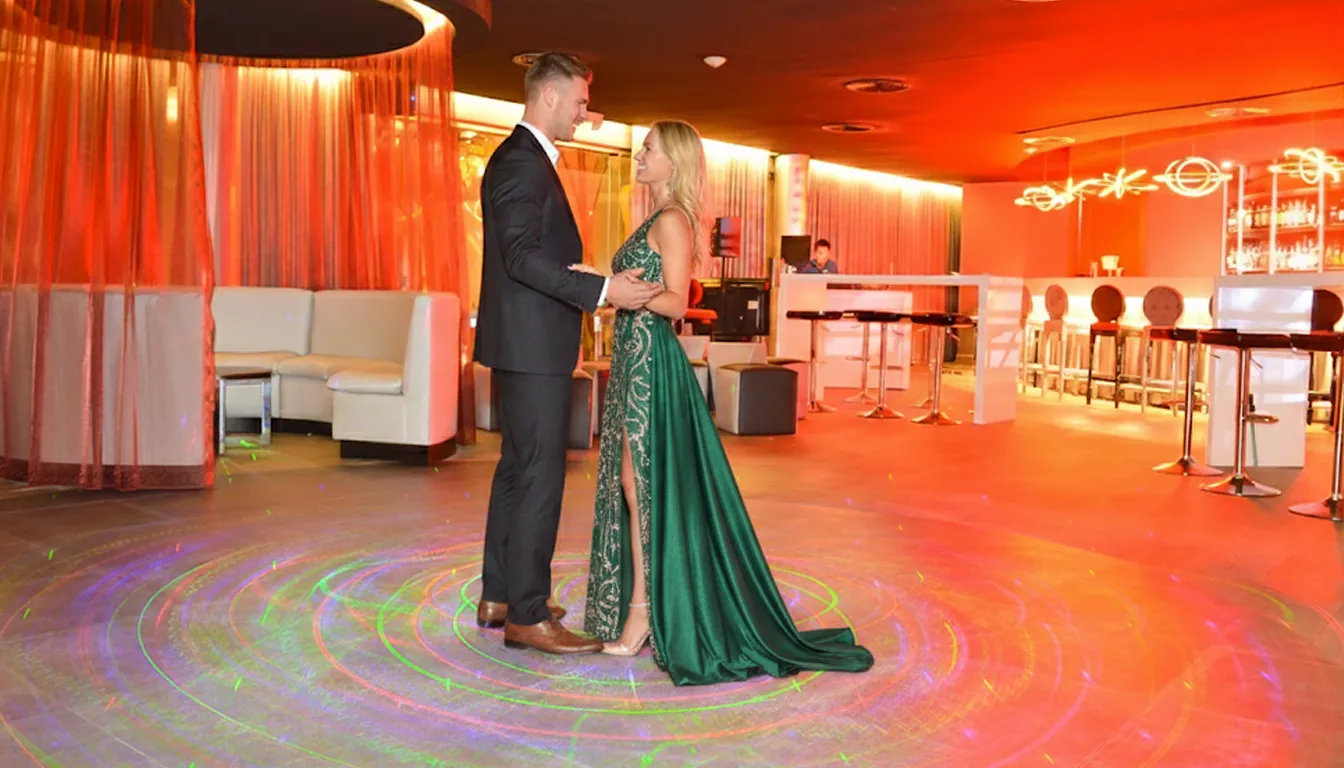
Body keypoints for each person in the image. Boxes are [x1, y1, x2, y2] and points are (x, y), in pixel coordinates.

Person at [574, 121, 874, 686]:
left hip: (651, 366)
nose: (640, 155)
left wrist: (616, 289)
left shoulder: (672, 221)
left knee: (642, 489)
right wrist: (608, 284)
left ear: (675, 162)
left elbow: (676, 303)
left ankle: (642, 616)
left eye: (650, 149)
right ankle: (645, 609)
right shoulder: (657, 218)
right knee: (635, 487)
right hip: (635, 361)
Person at [473, 52, 662, 655]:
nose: (585, 114)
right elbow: (521, 258)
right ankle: (528, 614)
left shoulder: (524, 160)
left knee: (517, 471)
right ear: (549, 97)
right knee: (538, 477)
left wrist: (582, 278)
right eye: (579, 102)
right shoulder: (522, 163)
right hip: (531, 347)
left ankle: (501, 594)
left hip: (527, 343)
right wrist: (603, 290)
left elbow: (529, 255)